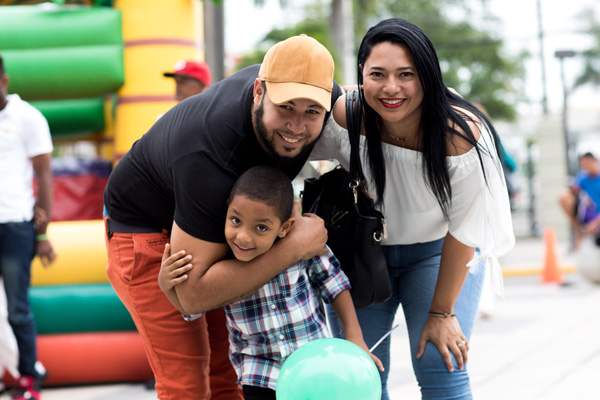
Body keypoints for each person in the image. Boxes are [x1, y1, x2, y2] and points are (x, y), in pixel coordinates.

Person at [103, 34, 343, 399]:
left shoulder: (324, 91)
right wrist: (294, 247)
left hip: (222, 222)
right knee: (187, 379)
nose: (297, 126)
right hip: (148, 230)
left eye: (311, 112)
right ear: (259, 91)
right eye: (286, 107)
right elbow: (193, 295)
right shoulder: (210, 151)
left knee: (226, 370)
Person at [309, 18, 515, 399]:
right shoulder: (346, 116)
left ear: (429, 76)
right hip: (363, 256)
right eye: (378, 74)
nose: (392, 88)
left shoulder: (459, 136)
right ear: (361, 74)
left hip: (439, 253)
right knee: (359, 377)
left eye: (407, 74)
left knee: (440, 363)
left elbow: (466, 230)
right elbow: (290, 157)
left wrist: (441, 315)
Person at [159, 166, 383, 399]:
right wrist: (166, 285)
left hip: (313, 366)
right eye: (235, 220)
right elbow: (192, 307)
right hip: (259, 373)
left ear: (285, 227)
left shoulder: (303, 250)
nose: (243, 237)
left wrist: (354, 336)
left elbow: (335, 284)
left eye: (261, 228)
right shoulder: (221, 266)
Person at [0, 54, 56, 400]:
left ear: (4, 80)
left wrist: (42, 232)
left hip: (15, 225)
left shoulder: (27, 117)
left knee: (18, 307)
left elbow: (45, 175)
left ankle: (28, 377)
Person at [558, 152, 600, 250]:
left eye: (586, 164)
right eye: (582, 165)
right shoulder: (583, 177)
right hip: (589, 214)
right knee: (563, 196)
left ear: (595, 161)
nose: (584, 167)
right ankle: (579, 232)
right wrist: (573, 189)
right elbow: (574, 191)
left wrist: (595, 224)